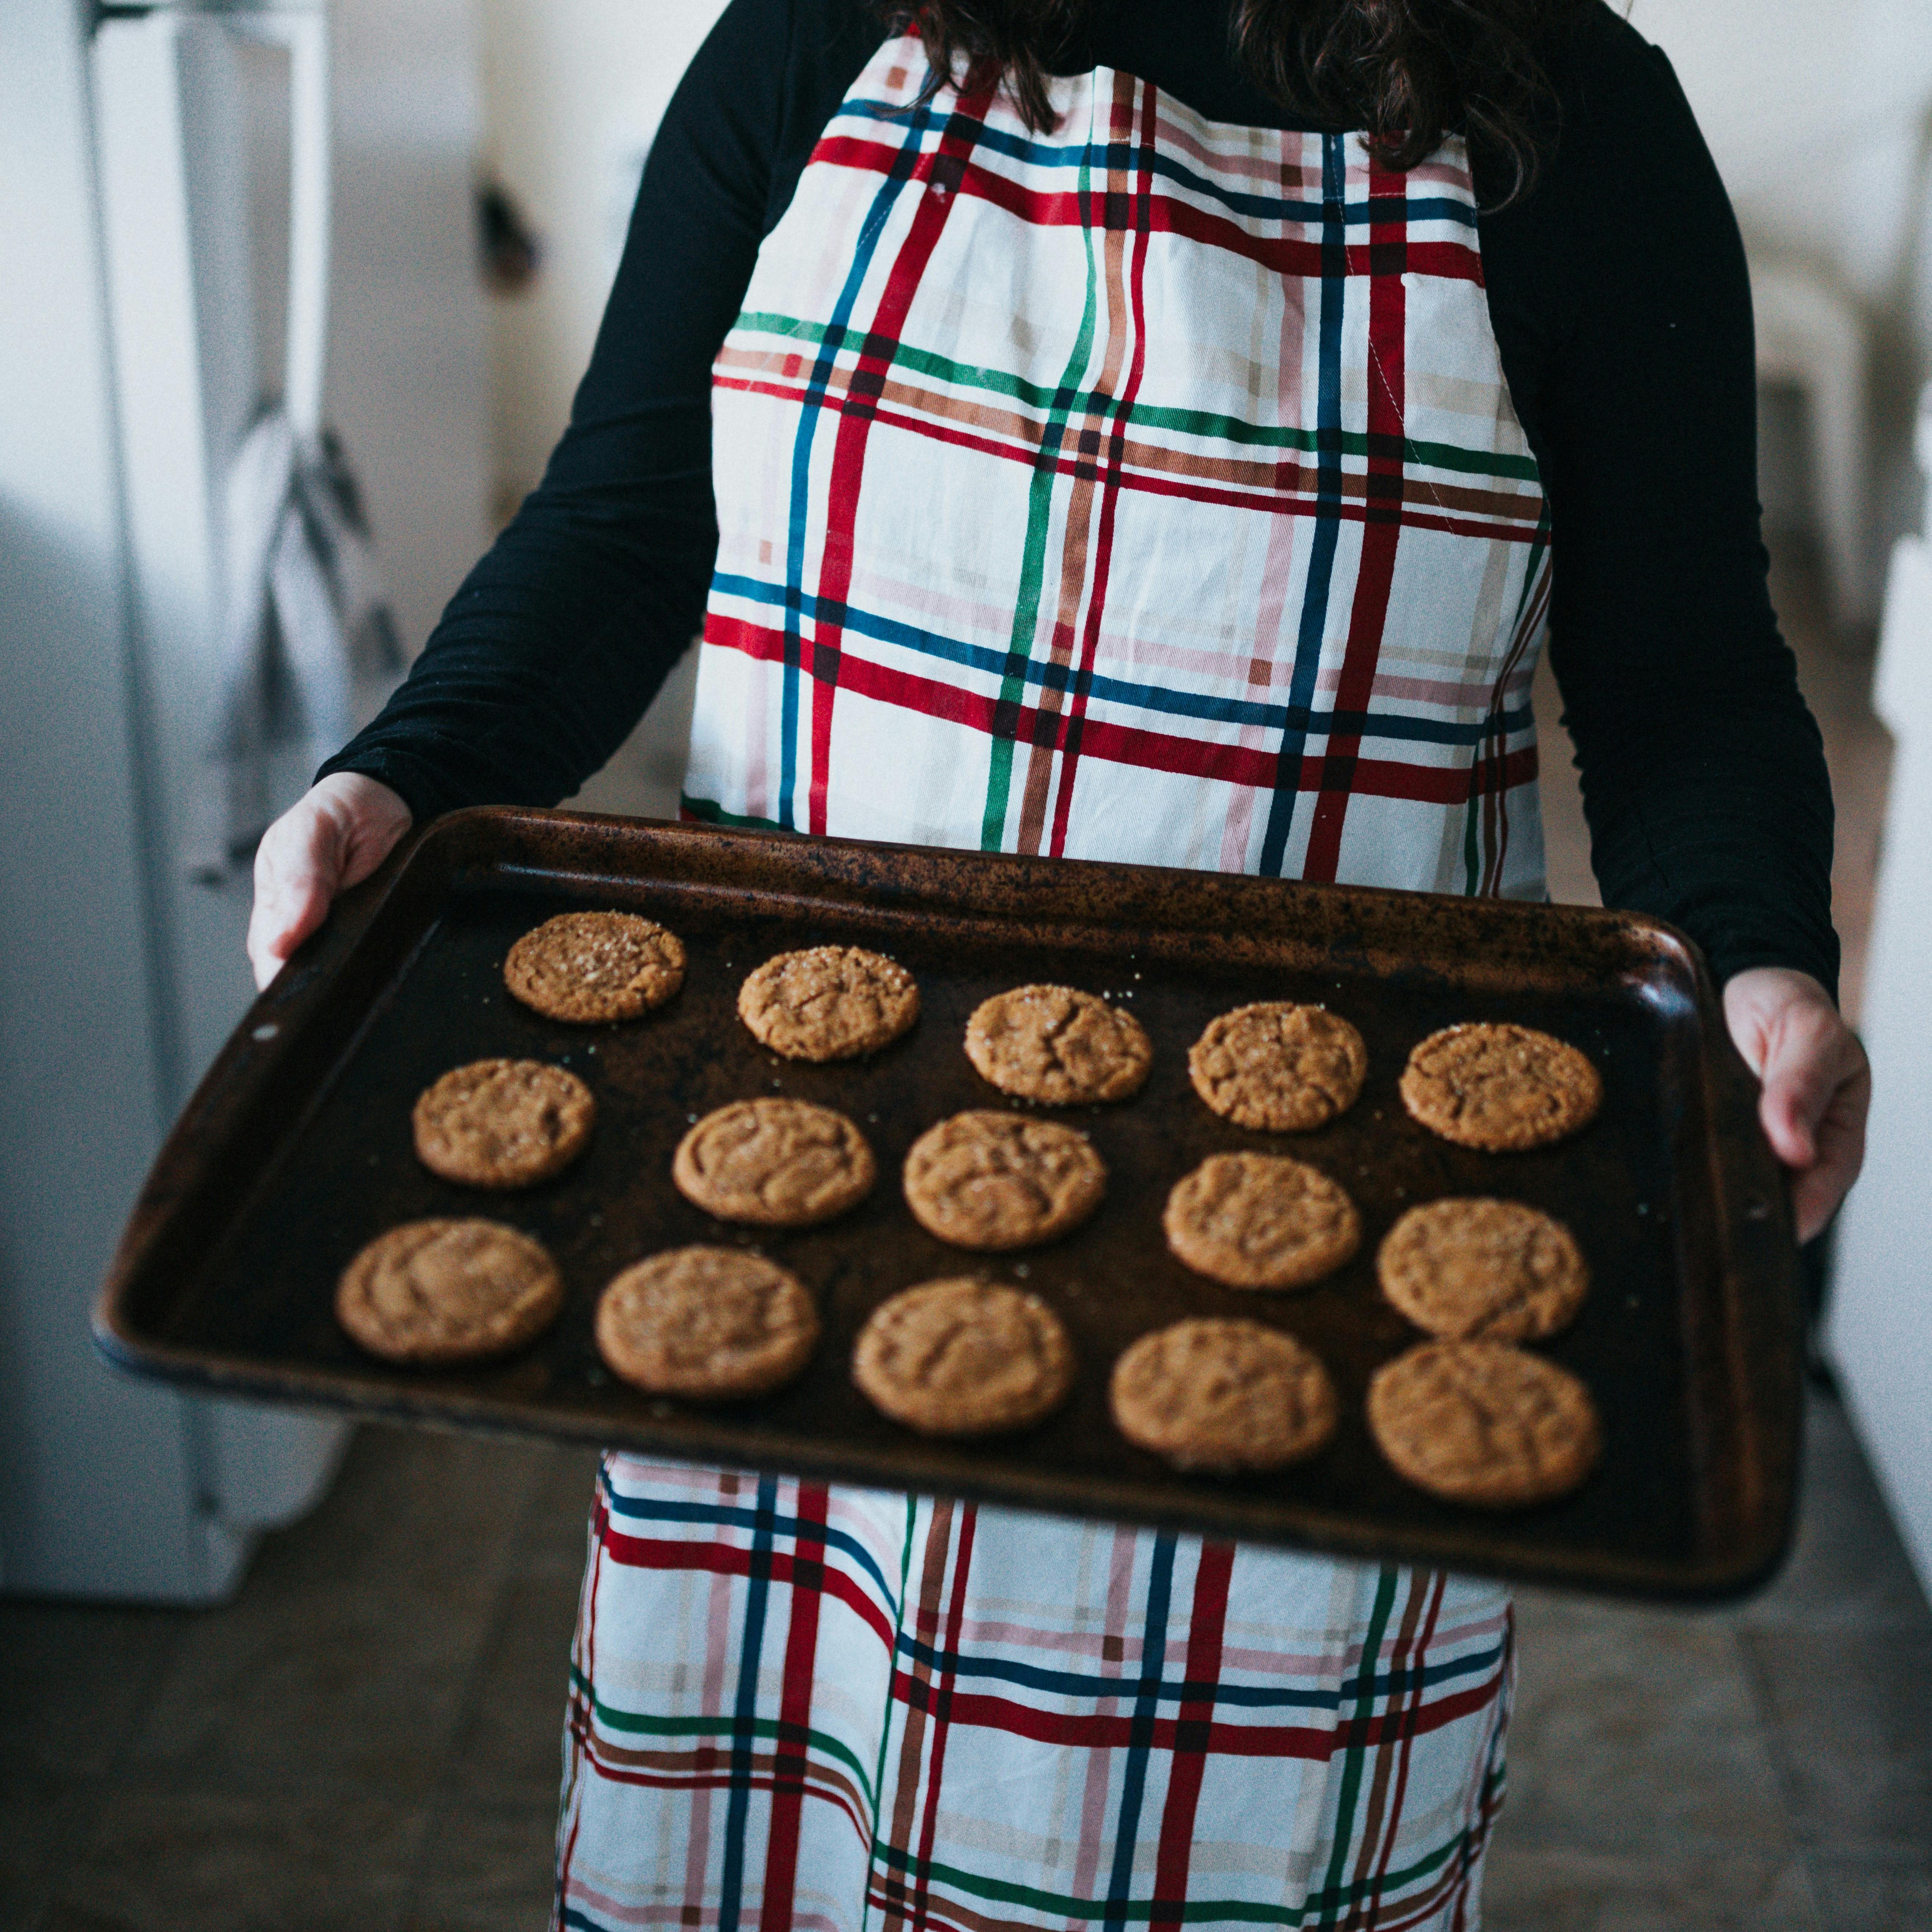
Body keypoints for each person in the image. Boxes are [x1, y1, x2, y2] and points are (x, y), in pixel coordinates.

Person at [248, 0, 1871, 1922]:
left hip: (1302, 1309)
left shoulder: (1570, 113)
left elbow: (1683, 681)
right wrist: (402, 775)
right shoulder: (807, 45)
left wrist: (1761, 959)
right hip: (796, 1266)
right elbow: (620, 526)